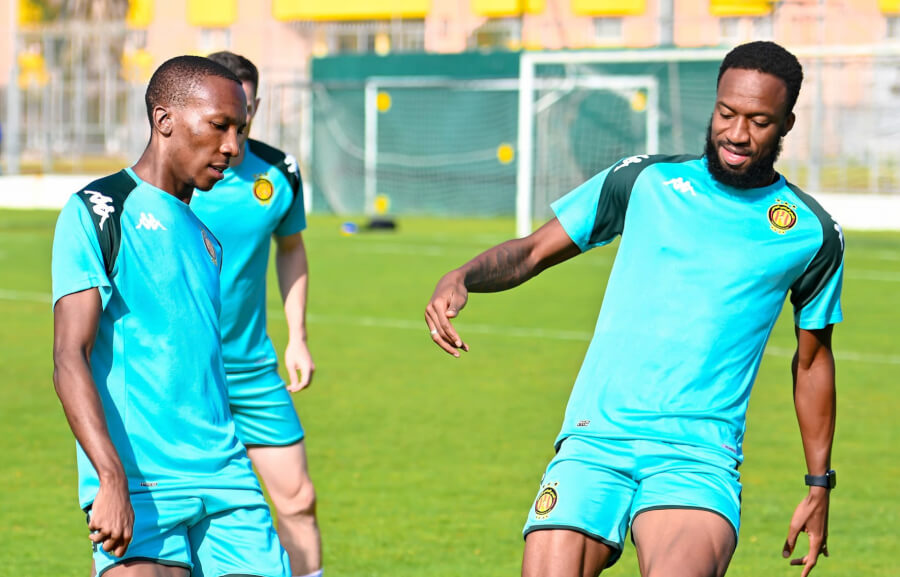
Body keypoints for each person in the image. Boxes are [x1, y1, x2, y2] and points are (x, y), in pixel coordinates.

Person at [425, 41, 843, 577]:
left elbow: (811, 361)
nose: (737, 134)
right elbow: (532, 252)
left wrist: (818, 484)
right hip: (593, 439)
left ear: (786, 123)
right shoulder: (643, 180)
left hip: (696, 458)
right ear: (713, 104)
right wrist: (461, 276)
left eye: (759, 121)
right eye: (726, 113)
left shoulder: (810, 233)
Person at [52, 55, 290, 577]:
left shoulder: (207, 239)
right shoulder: (97, 212)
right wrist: (109, 478)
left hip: (228, 482)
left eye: (241, 129)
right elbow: (70, 356)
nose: (233, 146)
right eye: (220, 126)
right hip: (141, 484)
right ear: (165, 121)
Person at [190, 51, 321, 577]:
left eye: (241, 111)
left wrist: (297, 336)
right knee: (181, 512)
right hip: (186, 375)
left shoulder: (279, 174)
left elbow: (291, 249)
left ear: (255, 103)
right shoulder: (176, 172)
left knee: (298, 499)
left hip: (251, 370)